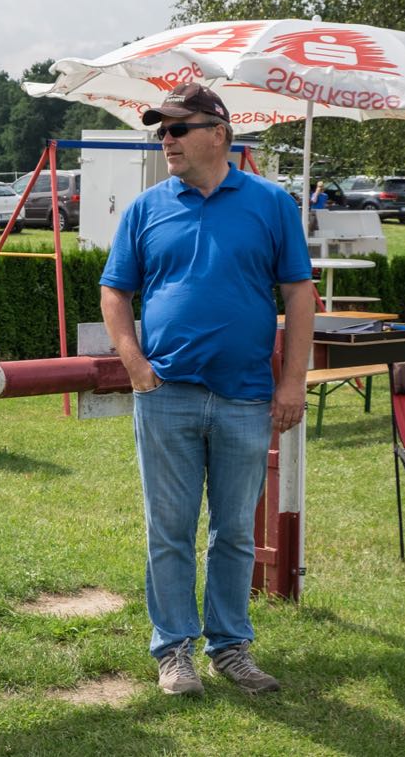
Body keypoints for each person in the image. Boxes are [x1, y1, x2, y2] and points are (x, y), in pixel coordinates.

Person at [100, 82, 313, 697]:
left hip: (246, 396)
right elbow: (115, 291)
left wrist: (292, 382)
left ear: (218, 134)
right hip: (166, 394)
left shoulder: (271, 204)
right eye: (160, 132)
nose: (165, 141)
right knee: (168, 530)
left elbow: (299, 293)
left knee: (235, 532)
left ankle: (230, 647)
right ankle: (174, 652)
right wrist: (134, 363)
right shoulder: (146, 208)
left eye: (177, 129)